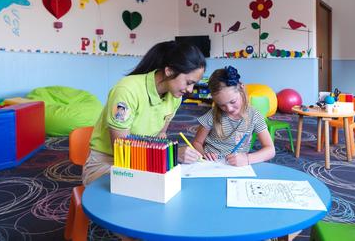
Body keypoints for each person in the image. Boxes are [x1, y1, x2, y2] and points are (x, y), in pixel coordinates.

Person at [82, 40, 205, 186]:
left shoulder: (174, 97)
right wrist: (171, 155)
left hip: (143, 162)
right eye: (189, 82)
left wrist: (169, 158)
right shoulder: (127, 90)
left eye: (194, 84)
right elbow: (122, 151)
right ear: (169, 71)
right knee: (150, 188)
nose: (190, 90)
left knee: (178, 183)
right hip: (109, 162)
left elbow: (160, 136)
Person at [192, 66, 275, 166]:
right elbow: (197, 142)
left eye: (233, 101)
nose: (229, 109)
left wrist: (247, 159)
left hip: (237, 166)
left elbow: (270, 150)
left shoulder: (254, 115)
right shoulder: (212, 114)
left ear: (241, 88)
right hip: (211, 165)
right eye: (221, 105)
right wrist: (203, 155)